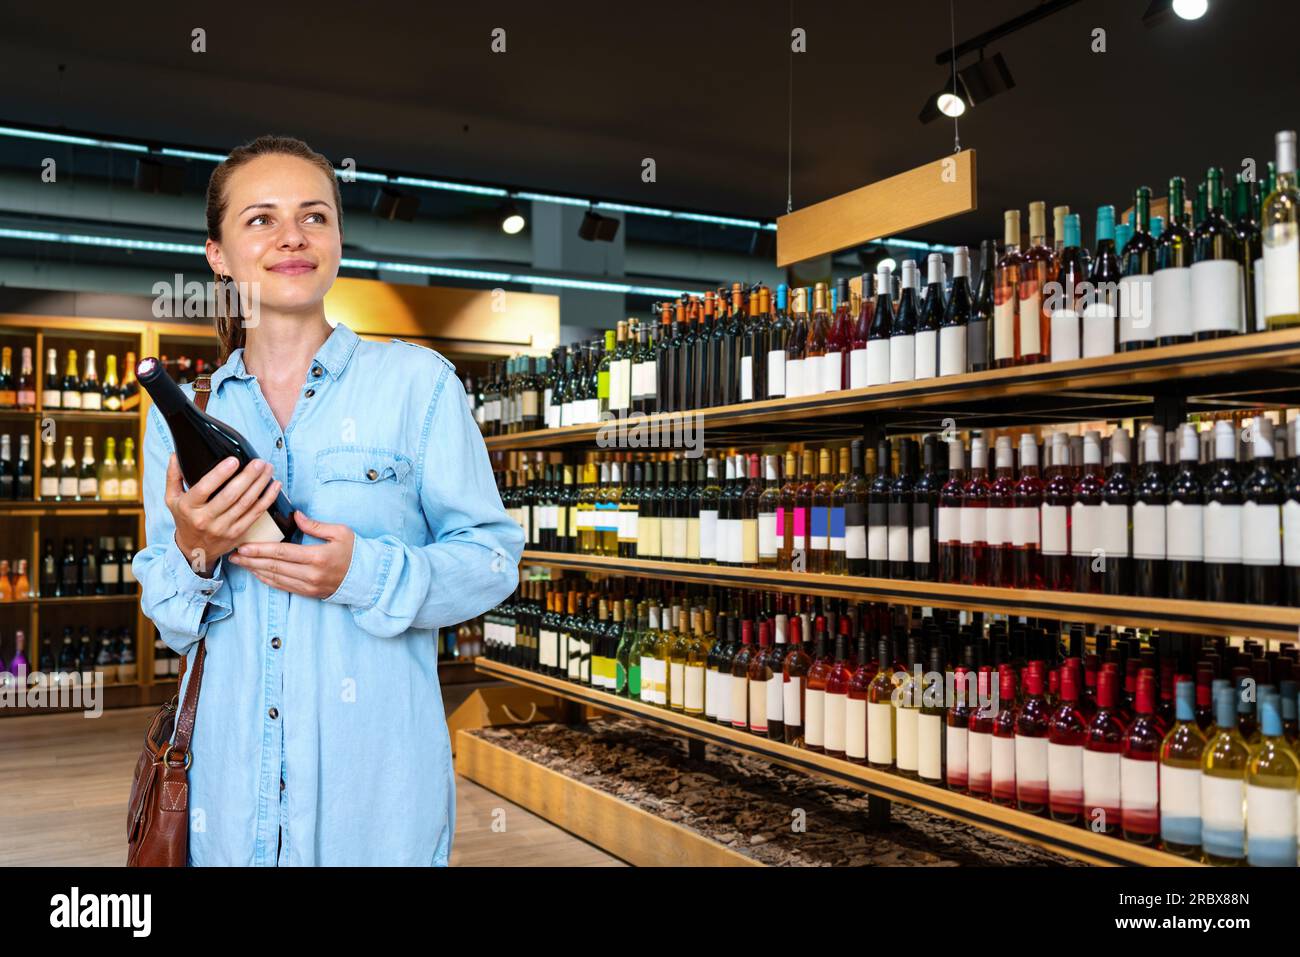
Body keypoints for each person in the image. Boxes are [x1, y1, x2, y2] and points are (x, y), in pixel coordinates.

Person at [132, 134, 524, 865]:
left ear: (338, 239)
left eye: (315, 216)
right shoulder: (181, 416)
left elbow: (495, 559)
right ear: (216, 254)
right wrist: (196, 551)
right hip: (231, 807)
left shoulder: (419, 386)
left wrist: (365, 575)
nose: (292, 236)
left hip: (378, 814)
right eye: (261, 219)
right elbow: (174, 623)